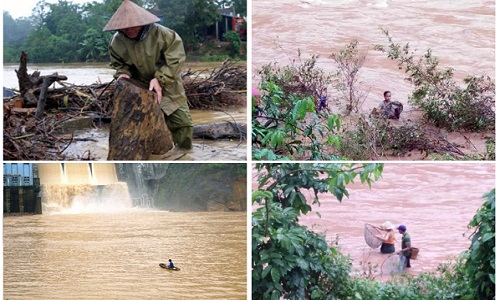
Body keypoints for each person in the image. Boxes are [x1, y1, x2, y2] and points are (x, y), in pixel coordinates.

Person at [103, 0, 193, 150]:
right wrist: (123, 74)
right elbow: (118, 64)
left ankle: (184, 155)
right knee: (141, 130)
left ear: (143, 22)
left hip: (170, 88)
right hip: (141, 92)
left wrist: (160, 79)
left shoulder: (164, 34)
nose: (129, 29)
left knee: (183, 125)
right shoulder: (116, 42)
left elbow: (176, 60)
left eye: (133, 25)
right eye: (124, 27)